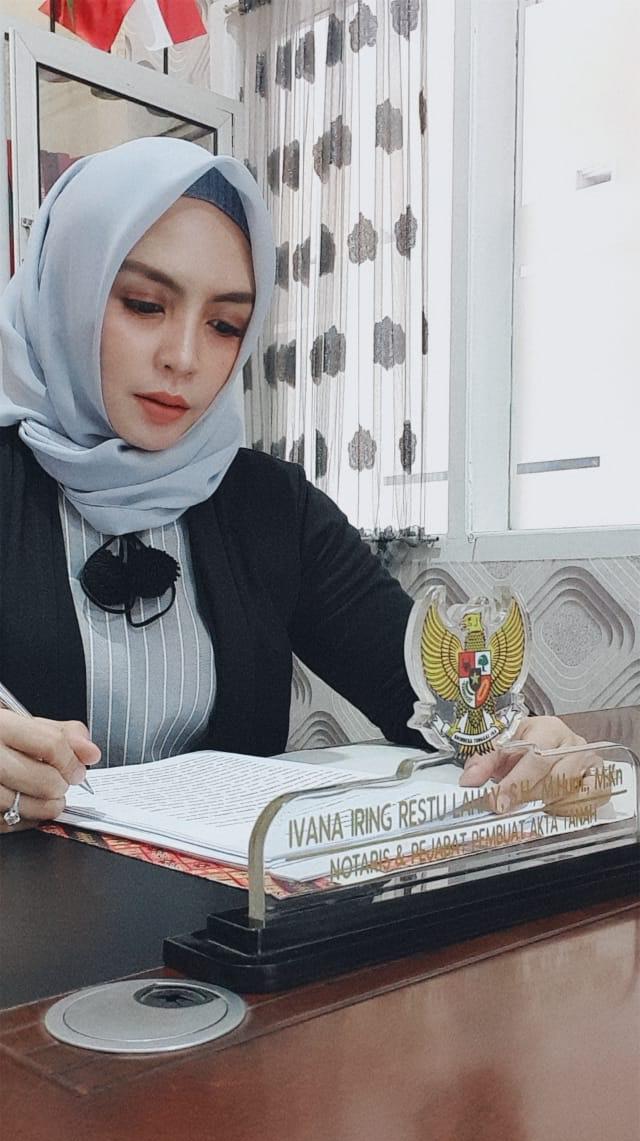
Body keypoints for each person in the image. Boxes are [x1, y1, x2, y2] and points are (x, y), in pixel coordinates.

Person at [0, 137, 588, 834]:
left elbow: (428, 696)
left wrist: (520, 741)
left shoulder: (271, 506)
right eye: (144, 304)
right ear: (65, 291)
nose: (184, 358)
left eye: (225, 325)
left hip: (227, 899)